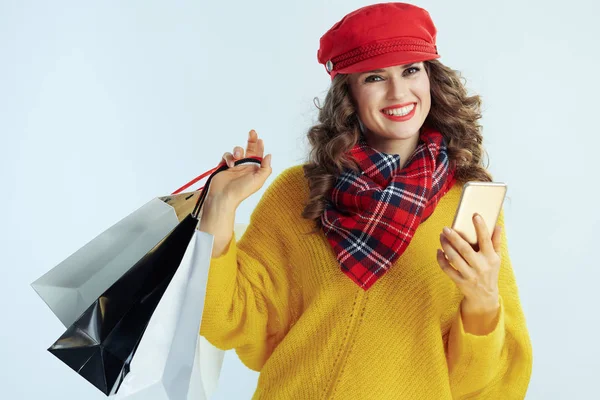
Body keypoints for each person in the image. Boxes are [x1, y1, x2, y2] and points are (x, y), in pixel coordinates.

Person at [198, 2, 533, 399]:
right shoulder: (298, 193)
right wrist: (219, 210)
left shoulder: (465, 205)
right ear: (349, 95)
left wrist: (482, 300)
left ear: (431, 78)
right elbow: (229, 322)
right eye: (375, 77)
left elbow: (487, 388)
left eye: (411, 70)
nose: (399, 92)